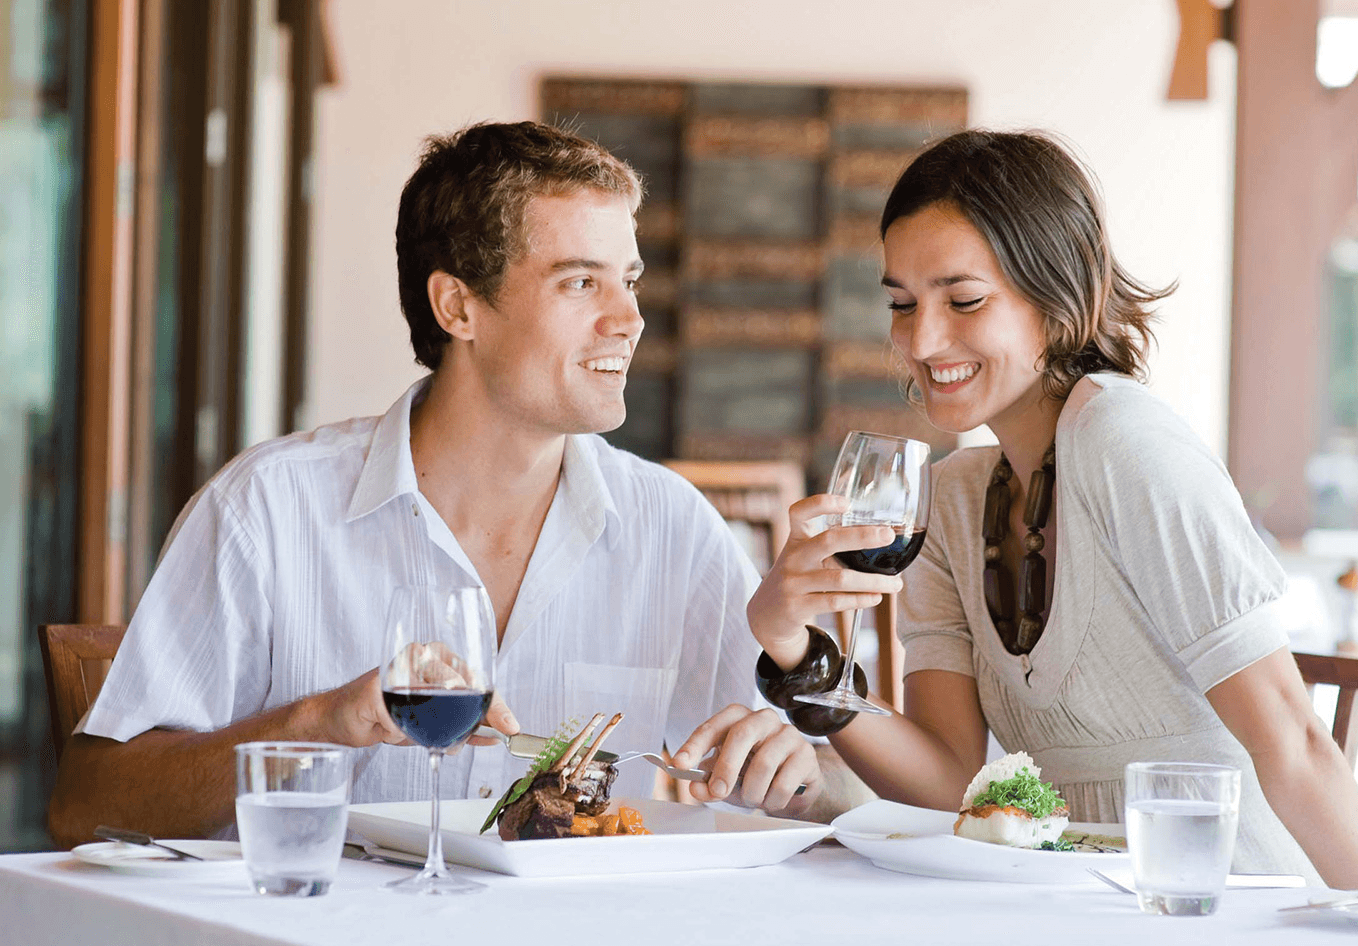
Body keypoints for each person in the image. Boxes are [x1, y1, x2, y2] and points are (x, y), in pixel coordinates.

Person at [48, 121, 842, 847]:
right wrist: (321, 723)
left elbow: (829, 790)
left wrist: (796, 773)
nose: (629, 318)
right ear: (458, 305)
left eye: (628, 279)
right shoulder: (267, 509)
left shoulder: (672, 528)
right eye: (579, 282)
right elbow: (87, 806)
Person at [739, 129, 1358, 889]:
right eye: (901, 303)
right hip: (1068, 910)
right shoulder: (951, 502)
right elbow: (949, 779)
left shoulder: (1127, 442)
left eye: (963, 300)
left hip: (1223, 903)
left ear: (1056, 295)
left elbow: (1294, 740)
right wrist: (791, 648)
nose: (922, 340)